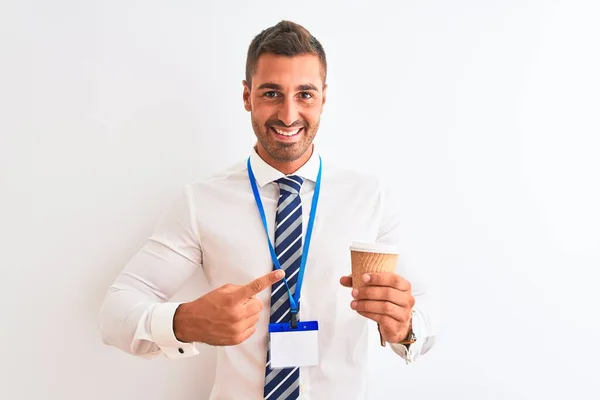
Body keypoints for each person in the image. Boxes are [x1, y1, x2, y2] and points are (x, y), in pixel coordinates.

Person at [99, 20, 436, 399]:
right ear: (247, 97)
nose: (289, 115)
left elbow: (426, 317)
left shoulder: (371, 197)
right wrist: (186, 321)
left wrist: (405, 326)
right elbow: (114, 312)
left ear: (324, 97)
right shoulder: (200, 201)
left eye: (305, 94)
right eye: (272, 93)